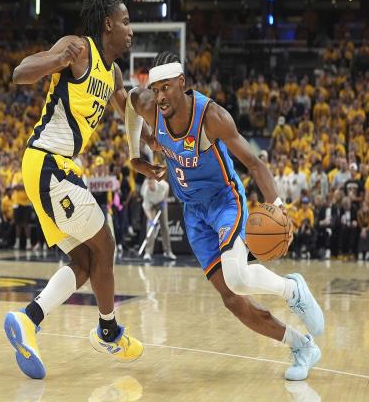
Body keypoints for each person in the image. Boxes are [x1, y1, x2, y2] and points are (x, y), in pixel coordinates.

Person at [125, 52, 324, 381]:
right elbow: (128, 99)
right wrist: (135, 154)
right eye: (156, 89)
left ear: (182, 83)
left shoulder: (212, 117)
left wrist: (279, 205)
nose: (160, 96)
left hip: (224, 202)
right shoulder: (149, 105)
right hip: (192, 212)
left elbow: (255, 164)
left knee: (238, 278)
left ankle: (293, 289)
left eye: (166, 88)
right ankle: (302, 346)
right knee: (233, 299)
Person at [3, 0, 156, 380]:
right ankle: (108, 332)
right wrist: (57, 61)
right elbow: (20, 72)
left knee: (85, 262)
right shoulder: (79, 48)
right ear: (108, 24)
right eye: (125, 22)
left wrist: (143, 147)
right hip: (48, 162)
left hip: (51, 168)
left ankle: (28, 320)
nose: (130, 30)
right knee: (106, 244)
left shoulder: (113, 73)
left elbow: (128, 112)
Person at [140, 177, 176, 261]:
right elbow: (146, 208)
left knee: (165, 226)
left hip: (161, 203)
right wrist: (151, 220)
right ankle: (148, 253)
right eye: (149, 183)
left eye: (151, 183)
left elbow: (167, 187)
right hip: (151, 205)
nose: (150, 185)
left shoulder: (161, 184)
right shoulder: (145, 191)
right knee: (150, 227)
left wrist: (164, 200)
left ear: (154, 181)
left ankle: (168, 251)